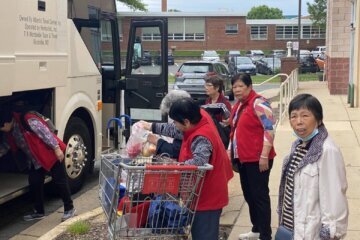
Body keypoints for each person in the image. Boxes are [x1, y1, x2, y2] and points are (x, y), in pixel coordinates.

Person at [141, 98, 233, 240]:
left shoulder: (202, 137)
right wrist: (151, 126)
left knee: (204, 235)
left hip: (208, 195)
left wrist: (176, 167)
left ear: (186, 122)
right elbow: (175, 130)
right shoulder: (196, 119)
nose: (174, 125)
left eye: (176, 122)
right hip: (199, 192)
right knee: (198, 232)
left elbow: (199, 162)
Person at [277, 94, 348, 239]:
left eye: (305, 116)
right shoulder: (298, 145)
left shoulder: (327, 151)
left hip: (311, 233)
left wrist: (331, 233)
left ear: (319, 119)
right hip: (292, 229)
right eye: (293, 116)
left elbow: (334, 199)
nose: (299, 122)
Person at [0, 107, 76, 222]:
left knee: (60, 181)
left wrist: (56, 148)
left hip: (49, 154)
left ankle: (69, 209)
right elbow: (6, 146)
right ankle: (39, 211)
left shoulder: (27, 120)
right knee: (34, 182)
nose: (2, 130)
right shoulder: (10, 132)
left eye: (2, 127)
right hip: (35, 160)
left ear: (6, 122)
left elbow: (45, 133)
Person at [229, 73, 276, 240]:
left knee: (260, 197)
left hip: (258, 160)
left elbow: (269, 129)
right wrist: (231, 152)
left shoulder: (259, 103)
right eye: (234, 86)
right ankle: (256, 228)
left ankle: (265, 235)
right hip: (244, 159)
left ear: (249, 87)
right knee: (249, 195)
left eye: (241, 86)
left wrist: (264, 155)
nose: (237, 89)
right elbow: (234, 131)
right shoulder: (239, 105)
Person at [146, 90, 190, 158]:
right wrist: (152, 126)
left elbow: (176, 151)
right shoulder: (190, 118)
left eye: (175, 120)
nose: (174, 123)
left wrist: (157, 141)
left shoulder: (191, 128)